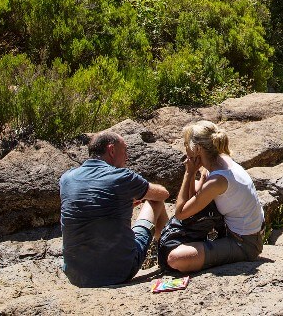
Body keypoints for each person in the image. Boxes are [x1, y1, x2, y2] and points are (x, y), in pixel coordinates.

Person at [60, 131, 170, 287]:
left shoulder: (67, 178)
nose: (127, 157)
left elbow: (85, 208)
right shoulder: (122, 177)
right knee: (155, 202)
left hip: (76, 275)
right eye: (125, 150)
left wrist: (121, 203)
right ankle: (168, 254)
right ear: (111, 150)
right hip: (118, 272)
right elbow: (163, 194)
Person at [165, 120, 264, 273]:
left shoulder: (218, 180)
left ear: (197, 149)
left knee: (175, 259)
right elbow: (196, 195)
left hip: (244, 244)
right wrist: (194, 175)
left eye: (186, 144)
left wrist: (188, 173)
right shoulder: (219, 161)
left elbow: (180, 213)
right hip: (248, 234)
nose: (184, 148)